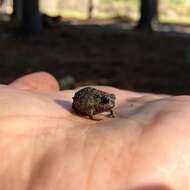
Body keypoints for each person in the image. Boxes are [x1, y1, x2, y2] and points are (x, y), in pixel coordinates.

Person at [0, 72, 189, 190]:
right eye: (108, 103)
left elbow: (109, 106)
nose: (111, 104)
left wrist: (110, 111)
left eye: (111, 101)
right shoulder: (93, 104)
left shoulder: (107, 103)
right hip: (81, 102)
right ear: (101, 103)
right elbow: (88, 108)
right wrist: (92, 116)